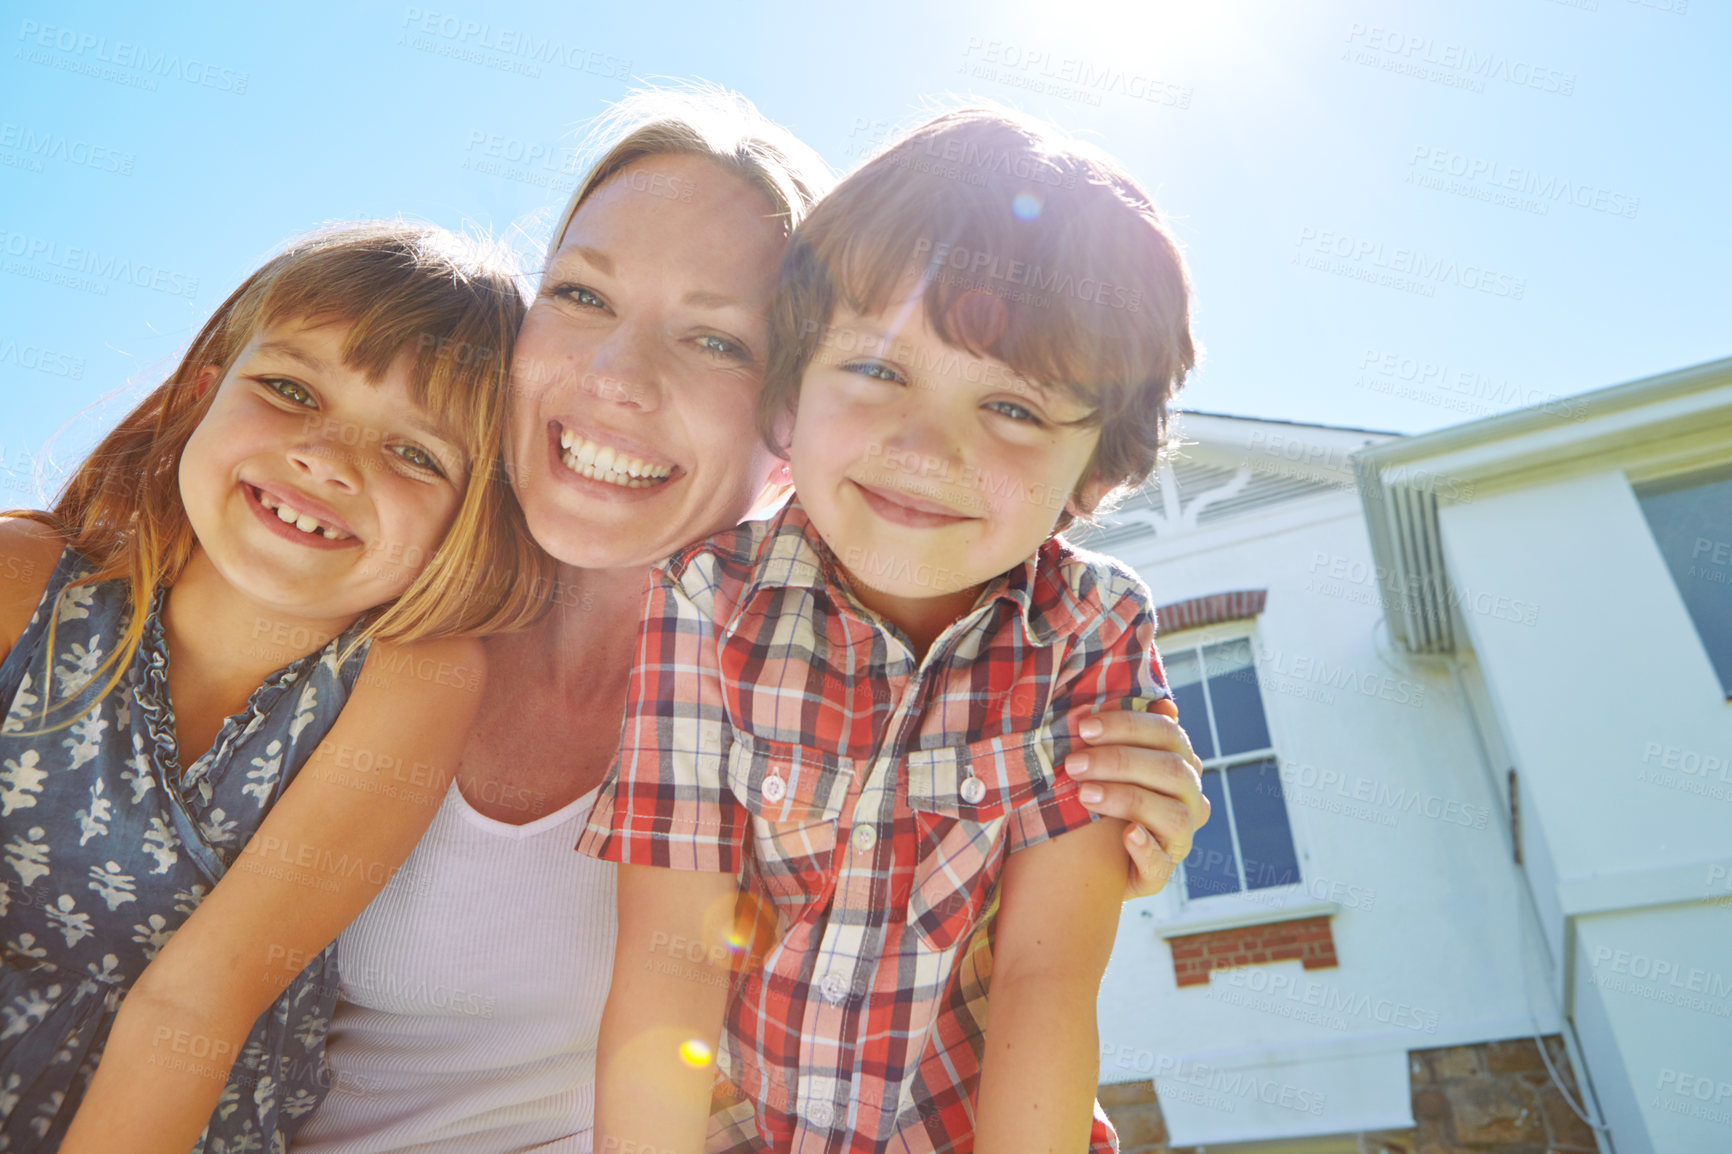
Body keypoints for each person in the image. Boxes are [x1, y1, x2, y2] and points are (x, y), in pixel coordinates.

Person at [291, 88, 1208, 1154]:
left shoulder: (1070, 627)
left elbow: (1040, 981)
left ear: (776, 401)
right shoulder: (359, 592)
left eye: (715, 339)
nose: (617, 380)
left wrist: (1115, 832)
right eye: (582, 294)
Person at [579, 107, 1193, 1154]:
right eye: (877, 370)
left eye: (1014, 407)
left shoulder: (1092, 629)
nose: (925, 445)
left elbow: (1048, 982)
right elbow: (673, 957)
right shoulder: (707, 598)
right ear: (792, 395)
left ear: (1092, 469)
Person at [0, 222, 545, 1153]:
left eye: (416, 453)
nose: (328, 460)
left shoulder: (410, 679)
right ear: (204, 396)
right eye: (291, 391)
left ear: (470, 517)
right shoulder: (22, 581)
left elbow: (197, 1000)